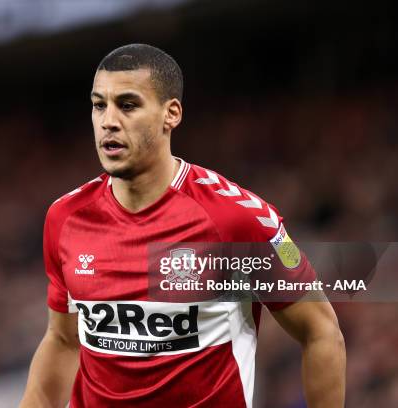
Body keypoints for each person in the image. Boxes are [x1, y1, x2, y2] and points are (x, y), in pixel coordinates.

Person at [20, 44, 345, 408]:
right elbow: (63, 341)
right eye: (99, 105)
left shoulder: (236, 220)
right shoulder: (65, 218)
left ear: (170, 113)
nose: (108, 120)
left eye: (127, 105)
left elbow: (320, 330)